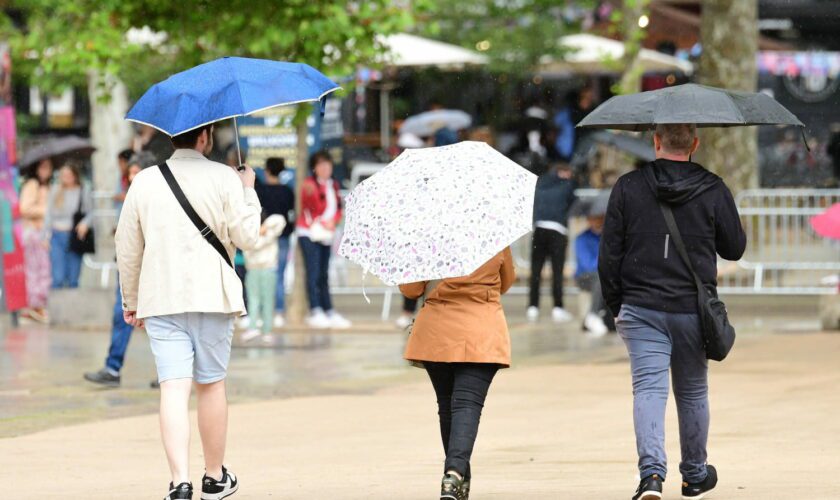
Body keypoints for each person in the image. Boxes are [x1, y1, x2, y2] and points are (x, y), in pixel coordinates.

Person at [598, 123, 746, 500]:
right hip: (691, 309)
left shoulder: (628, 187)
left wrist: (618, 305)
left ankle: (651, 475)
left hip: (641, 305)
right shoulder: (713, 187)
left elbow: (609, 256)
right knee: (693, 391)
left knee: (648, 389)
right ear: (695, 143)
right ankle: (695, 473)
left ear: (655, 141)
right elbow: (734, 248)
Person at [116, 123, 261, 500]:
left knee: (173, 387)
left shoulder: (144, 181)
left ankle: (179, 482)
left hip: (161, 297)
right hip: (213, 295)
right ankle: (214, 476)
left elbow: (127, 245)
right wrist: (249, 192)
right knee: (211, 384)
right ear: (204, 137)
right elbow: (247, 238)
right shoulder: (225, 178)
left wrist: (131, 300)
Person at [400, 247, 515, 500]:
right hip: (482, 330)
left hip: (436, 332)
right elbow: (506, 281)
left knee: (447, 406)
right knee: (467, 405)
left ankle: (457, 479)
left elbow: (410, 290)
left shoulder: (427, 238)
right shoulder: (494, 235)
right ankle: (454, 475)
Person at [84, 152, 157, 388]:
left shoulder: (158, 200)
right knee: (121, 315)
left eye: (137, 173)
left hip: (152, 265)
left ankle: (170, 372)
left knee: (160, 320)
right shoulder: (129, 199)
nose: (132, 177)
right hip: (128, 266)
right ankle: (112, 368)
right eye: (130, 173)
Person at [296, 149, 351, 329]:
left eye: (328, 164)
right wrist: (322, 221)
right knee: (313, 272)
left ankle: (328, 309)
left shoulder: (333, 184)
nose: (326, 168)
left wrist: (332, 222)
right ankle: (315, 309)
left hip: (326, 233)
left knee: (324, 273)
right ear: (315, 168)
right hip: (310, 233)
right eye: (321, 165)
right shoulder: (309, 185)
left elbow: (337, 208)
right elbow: (310, 207)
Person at [528, 162, 577, 323]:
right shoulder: (567, 185)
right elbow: (573, 203)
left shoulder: (540, 184)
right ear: (563, 171)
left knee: (536, 271)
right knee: (557, 271)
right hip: (558, 231)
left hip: (539, 229)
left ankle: (533, 306)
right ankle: (557, 307)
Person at [254, 157, 295, 329]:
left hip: (264, 238)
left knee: (263, 273)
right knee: (279, 275)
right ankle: (278, 310)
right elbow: (291, 215)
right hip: (283, 237)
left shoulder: (261, 191)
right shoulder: (287, 191)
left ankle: (262, 311)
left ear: (267, 170)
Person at [241, 213, 287, 343]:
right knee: (254, 300)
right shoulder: (250, 235)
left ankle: (266, 330)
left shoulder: (268, 232)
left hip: (267, 269)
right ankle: (254, 328)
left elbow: (281, 219)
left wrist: (265, 227)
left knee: (266, 301)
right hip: (254, 270)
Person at [46, 163, 92, 289]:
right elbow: (48, 214)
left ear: (75, 175)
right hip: (56, 236)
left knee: (73, 278)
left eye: (69, 175)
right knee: (58, 277)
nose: (66, 178)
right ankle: (57, 306)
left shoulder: (83, 190)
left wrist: (84, 223)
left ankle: (73, 307)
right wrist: (45, 236)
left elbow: (91, 212)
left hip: (74, 236)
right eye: (63, 175)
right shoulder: (55, 190)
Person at [18, 158, 53, 323]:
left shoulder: (49, 186)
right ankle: (34, 305)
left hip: (45, 234)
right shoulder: (32, 184)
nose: (46, 171)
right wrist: (46, 211)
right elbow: (24, 208)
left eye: (49, 167)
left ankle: (38, 305)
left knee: (44, 270)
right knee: (35, 271)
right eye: (43, 167)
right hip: (33, 233)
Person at [574, 193, 610, 337]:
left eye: (601, 217)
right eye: (595, 218)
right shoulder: (581, 239)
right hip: (585, 276)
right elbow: (588, 264)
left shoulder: (610, 236)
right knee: (600, 277)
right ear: (589, 220)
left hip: (606, 275)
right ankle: (593, 315)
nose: (599, 221)